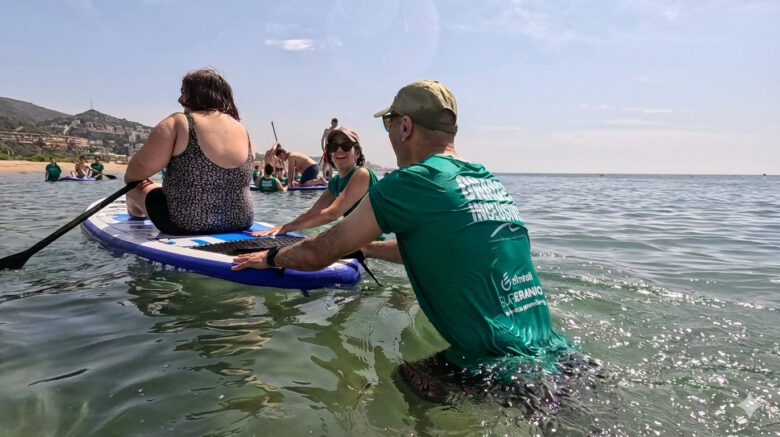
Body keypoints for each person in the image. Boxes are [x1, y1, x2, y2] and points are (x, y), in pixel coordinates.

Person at [233, 80, 582, 404]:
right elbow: (432, 248)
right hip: (562, 356)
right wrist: (367, 247)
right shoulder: (486, 179)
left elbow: (320, 251)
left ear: (405, 127)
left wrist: (272, 257)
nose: (390, 134)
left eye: (389, 125)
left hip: (499, 369)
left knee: (403, 381)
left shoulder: (410, 182)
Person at [124, 68, 254, 235]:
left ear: (197, 94)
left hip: (183, 223)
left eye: (183, 92)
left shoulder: (180, 122)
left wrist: (135, 181)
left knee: (134, 188)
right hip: (241, 221)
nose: (180, 99)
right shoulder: (242, 129)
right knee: (156, 187)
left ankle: (135, 215)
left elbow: (139, 167)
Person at [253, 127, 378, 237]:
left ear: (356, 152)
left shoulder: (362, 174)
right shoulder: (336, 181)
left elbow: (332, 213)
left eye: (346, 146)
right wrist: (284, 226)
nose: (339, 151)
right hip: (357, 240)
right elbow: (314, 211)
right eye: (334, 147)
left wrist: (287, 228)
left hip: (372, 246)